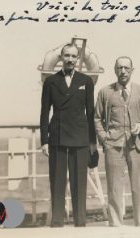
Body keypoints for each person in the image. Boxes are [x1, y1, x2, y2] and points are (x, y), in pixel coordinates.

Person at [40, 43, 97, 227]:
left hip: (80, 138)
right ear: (61, 58)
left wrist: (92, 143)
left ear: (78, 58)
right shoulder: (50, 81)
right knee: (57, 180)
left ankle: (80, 222)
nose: (70, 60)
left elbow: (91, 113)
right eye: (67, 56)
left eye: (74, 56)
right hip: (57, 136)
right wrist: (44, 140)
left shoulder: (86, 81)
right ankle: (57, 222)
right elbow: (44, 112)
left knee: (79, 182)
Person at [94, 56, 140, 227]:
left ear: (132, 70)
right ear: (115, 70)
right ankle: (115, 224)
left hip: (137, 145)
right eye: (119, 68)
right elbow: (97, 118)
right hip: (113, 146)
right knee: (114, 188)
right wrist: (104, 139)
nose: (123, 71)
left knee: (139, 187)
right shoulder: (105, 92)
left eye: (126, 68)